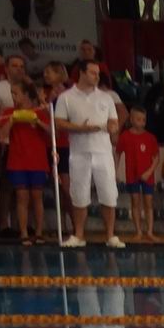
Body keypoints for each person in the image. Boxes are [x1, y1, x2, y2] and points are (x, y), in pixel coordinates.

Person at [54, 60, 122, 249]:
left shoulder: (106, 98)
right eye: (93, 72)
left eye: (98, 73)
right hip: (79, 152)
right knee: (79, 194)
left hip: (103, 152)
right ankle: (79, 235)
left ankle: (110, 236)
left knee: (109, 194)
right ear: (82, 73)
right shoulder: (66, 97)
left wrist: (112, 128)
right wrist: (81, 128)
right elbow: (59, 123)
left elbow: (114, 122)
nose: (97, 76)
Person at [1, 81, 51, 245]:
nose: (13, 96)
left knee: (37, 197)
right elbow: (2, 135)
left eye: (16, 93)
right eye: (12, 93)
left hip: (38, 161)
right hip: (17, 161)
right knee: (21, 197)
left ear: (26, 95)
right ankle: (23, 233)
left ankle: (39, 232)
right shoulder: (9, 112)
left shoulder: (40, 112)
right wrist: (12, 120)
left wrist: (38, 122)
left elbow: (53, 133)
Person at [118, 105, 160, 243]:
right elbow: (118, 153)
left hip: (148, 176)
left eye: (143, 120)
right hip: (132, 175)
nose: (141, 122)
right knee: (135, 202)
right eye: (138, 119)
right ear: (131, 119)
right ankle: (138, 231)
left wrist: (149, 172)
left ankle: (150, 231)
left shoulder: (150, 137)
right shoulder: (125, 136)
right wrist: (115, 170)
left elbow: (156, 158)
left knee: (149, 203)